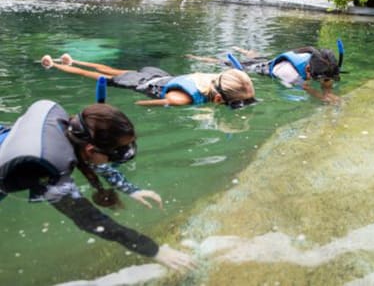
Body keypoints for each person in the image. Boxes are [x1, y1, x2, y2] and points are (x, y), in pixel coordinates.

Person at [0, 100, 196, 270]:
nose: (119, 156)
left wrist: (130, 190)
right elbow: (90, 220)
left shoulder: (69, 127)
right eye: (116, 152)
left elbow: (94, 161)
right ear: (91, 149)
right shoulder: (50, 167)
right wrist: (153, 250)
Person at [41, 53, 256, 109]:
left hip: (158, 74)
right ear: (218, 99)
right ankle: (54, 64)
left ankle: (73, 60)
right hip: (144, 84)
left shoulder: (213, 79)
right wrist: (141, 103)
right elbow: (148, 103)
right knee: (102, 77)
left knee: (111, 70)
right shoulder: (182, 99)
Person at [187, 46, 341, 103]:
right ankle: (196, 57)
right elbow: (305, 88)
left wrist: (328, 92)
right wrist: (322, 97)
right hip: (262, 70)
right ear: (308, 69)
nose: (325, 81)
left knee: (258, 57)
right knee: (225, 63)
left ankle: (243, 49)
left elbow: (326, 80)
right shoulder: (289, 73)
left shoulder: (321, 60)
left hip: (271, 62)